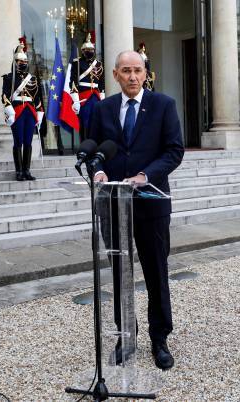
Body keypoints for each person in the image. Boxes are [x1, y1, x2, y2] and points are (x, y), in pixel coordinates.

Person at [89, 50, 184, 370]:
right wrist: (98, 172)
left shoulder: (163, 105)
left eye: (137, 71)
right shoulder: (102, 109)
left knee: (156, 273)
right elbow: (92, 150)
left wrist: (146, 176)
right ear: (115, 74)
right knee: (119, 274)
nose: (132, 76)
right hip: (113, 204)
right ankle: (125, 336)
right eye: (125, 71)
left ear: (146, 73)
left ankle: (160, 339)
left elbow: (174, 151)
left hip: (151, 202)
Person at [1, 37, 44, 181]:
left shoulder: (32, 78)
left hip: (30, 112)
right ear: (15, 62)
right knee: (18, 141)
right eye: (21, 62)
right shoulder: (9, 78)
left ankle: (27, 170)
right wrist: (9, 111)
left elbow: (37, 98)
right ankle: (18, 171)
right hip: (17, 111)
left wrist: (40, 114)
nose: (24, 64)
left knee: (28, 142)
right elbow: (5, 97)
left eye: (25, 62)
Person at [71, 31, 105, 142]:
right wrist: (75, 100)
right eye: (87, 50)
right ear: (83, 51)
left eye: (91, 50)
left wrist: (103, 99)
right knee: (84, 124)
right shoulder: (77, 63)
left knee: (96, 124)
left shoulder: (98, 64)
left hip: (96, 97)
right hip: (83, 98)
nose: (89, 52)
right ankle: (85, 150)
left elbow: (101, 83)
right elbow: (73, 82)